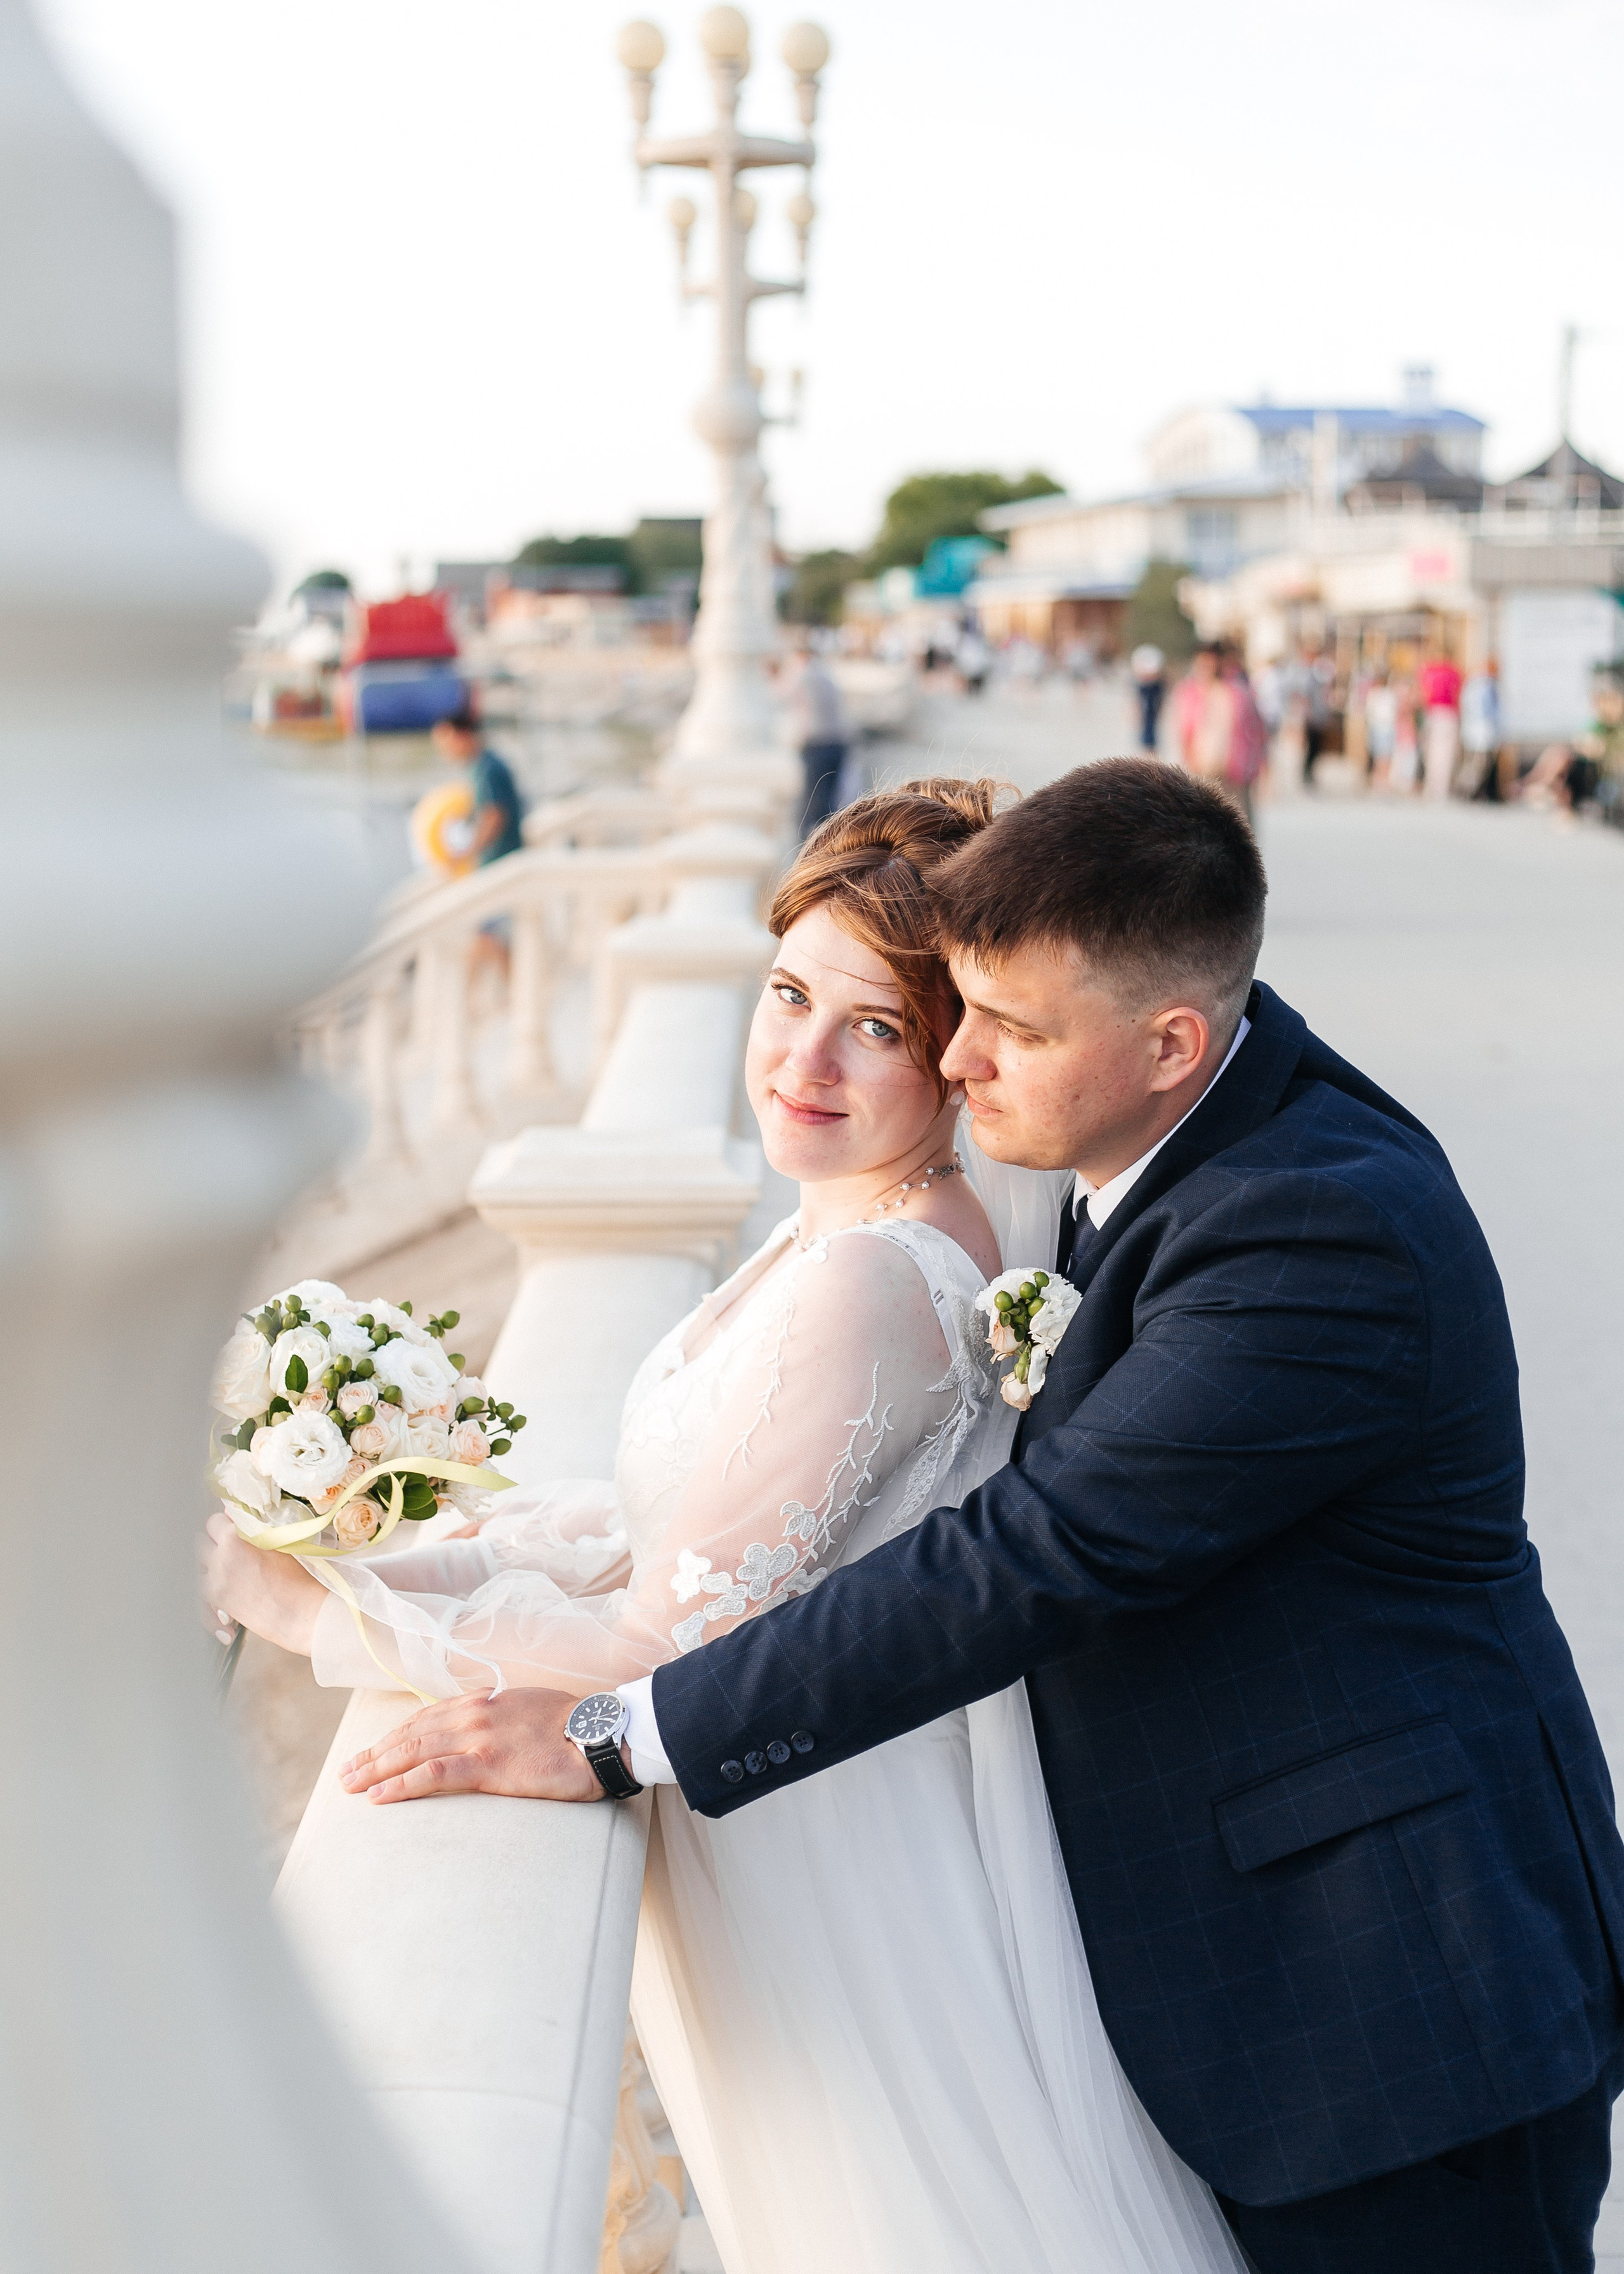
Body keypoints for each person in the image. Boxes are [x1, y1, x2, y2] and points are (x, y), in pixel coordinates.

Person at [331, 761, 1624, 2274]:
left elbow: (1034, 1553)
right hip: (1254, 1949)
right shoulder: (1149, 1129)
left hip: (1393, 1997)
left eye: (1005, 1027)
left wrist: (620, 1733)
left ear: (1169, 1040)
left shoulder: (1316, 1227)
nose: (959, 1061)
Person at [202, 780, 1248, 2274]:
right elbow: (671, 1531)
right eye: (787, 995)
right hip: (807, 1833)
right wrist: (386, 1555)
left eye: (872, 1027)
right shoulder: (841, 1225)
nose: (802, 1059)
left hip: (830, 1886)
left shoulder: (873, 1283)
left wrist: (318, 1613)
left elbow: (658, 1641)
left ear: (953, 1053)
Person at [431, 704, 525, 977]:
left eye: (445, 741)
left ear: (462, 736)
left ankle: (507, 989)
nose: (444, 750)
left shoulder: (487, 768)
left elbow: (495, 817)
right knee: (487, 937)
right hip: (499, 863)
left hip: (500, 864)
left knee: (487, 935)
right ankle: (499, 989)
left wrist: (465, 853)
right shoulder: (483, 766)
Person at [785, 647, 851, 840]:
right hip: (838, 743)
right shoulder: (828, 675)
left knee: (812, 802)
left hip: (817, 743)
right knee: (830, 801)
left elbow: (782, 696)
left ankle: (809, 846)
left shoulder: (803, 676)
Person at [1418, 645, 1464, 802]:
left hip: (1433, 713)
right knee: (1446, 754)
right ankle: (1441, 789)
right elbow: (1458, 695)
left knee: (1432, 752)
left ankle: (1431, 786)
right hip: (1449, 715)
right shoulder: (1454, 671)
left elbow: (1424, 694)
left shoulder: (1429, 670)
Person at [1129, 641, 1166, 753]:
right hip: (1147, 716)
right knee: (1145, 739)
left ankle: (1149, 755)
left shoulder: (1157, 686)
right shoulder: (1143, 687)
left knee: (1150, 738)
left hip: (1151, 716)